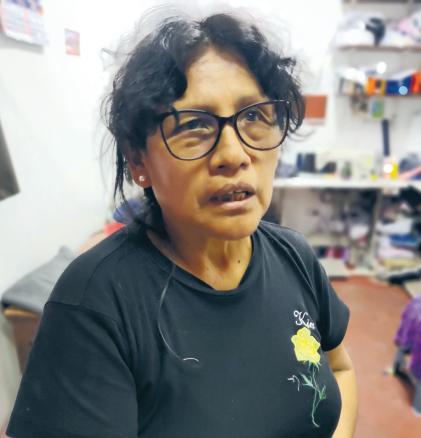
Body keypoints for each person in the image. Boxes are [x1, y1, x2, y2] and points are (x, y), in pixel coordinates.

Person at [7, 7, 357, 438]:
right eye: (194, 125)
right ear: (138, 160)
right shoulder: (96, 306)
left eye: (254, 116)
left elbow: (340, 368)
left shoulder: (294, 255)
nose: (234, 155)